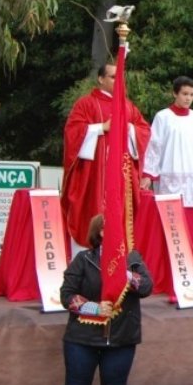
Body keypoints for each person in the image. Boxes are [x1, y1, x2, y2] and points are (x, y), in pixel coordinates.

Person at [47, 214, 153, 385]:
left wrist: (124, 274)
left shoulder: (133, 259)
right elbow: (66, 295)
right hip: (82, 339)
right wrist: (93, 307)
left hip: (120, 340)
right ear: (102, 233)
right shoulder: (83, 259)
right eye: (113, 228)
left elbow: (147, 287)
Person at [61, 63, 151, 254]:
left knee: (120, 215)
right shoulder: (86, 103)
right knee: (93, 211)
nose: (118, 81)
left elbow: (144, 131)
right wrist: (101, 128)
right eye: (112, 77)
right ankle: (88, 260)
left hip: (121, 175)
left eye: (120, 77)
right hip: (94, 175)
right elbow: (72, 132)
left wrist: (129, 129)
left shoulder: (128, 107)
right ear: (101, 79)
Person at [141, 76, 193, 260]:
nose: (188, 98)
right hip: (170, 178)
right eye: (184, 93)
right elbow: (154, 146)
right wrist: (148, 174)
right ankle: (168, 266)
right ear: (175, 93)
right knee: (171, 224)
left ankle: (191, 266)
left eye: (192, 95)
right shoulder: (163, 117)